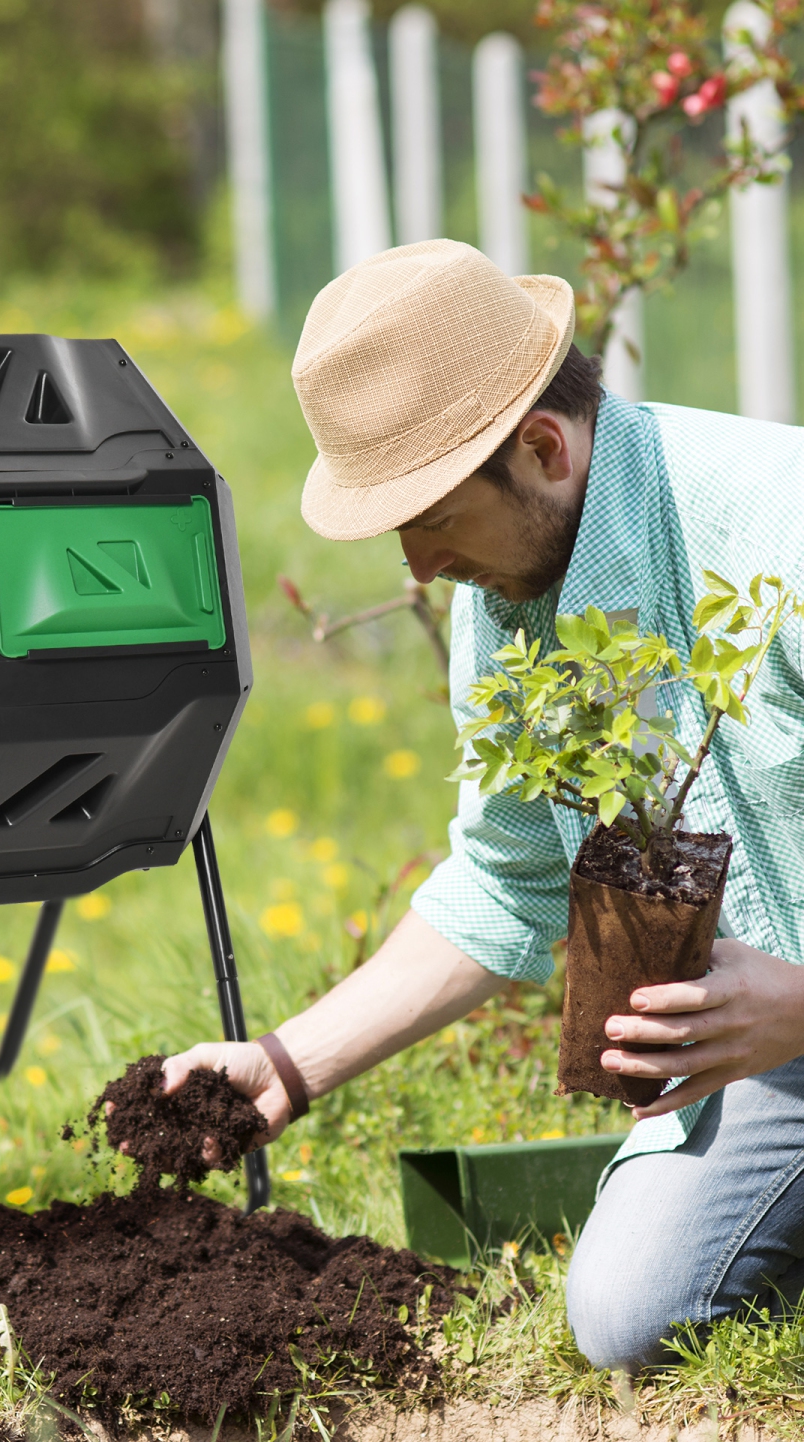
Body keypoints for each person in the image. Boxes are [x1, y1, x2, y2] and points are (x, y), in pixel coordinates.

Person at [164, 238, 804, 1372]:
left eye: (431, 516)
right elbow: (507, 881)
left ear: (544, 448)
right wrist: (288, 1062)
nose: (416, 565)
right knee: (626, 1316)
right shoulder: (512, 601)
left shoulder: (779, 536)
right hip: (770, 1051)